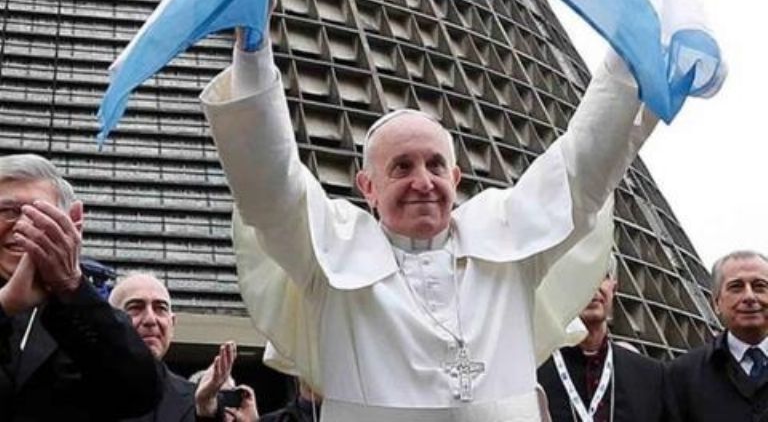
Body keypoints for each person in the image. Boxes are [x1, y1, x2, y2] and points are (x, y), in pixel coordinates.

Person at [200, 23, 659, 421]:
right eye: (401, 167)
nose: (423, 182)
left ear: (456, 178)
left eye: (436, 166)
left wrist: (629, 51)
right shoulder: (326, 257)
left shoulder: (512, 245)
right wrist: (254, 55)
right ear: (367, 187)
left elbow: (582, 165)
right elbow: (271, 186)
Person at [0, 153, 162, 421]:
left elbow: (141, 392)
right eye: (8, 211)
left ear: (69, 225)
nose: (22, 226)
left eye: (40, 215)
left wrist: (70, 286)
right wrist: (5, 306)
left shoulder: (85, 314)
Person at [109, 273, 258, 422]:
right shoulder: (87, 395)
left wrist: (206, 413)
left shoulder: (198, 404)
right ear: (109, 322)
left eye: (160, 308)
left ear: (172, 324)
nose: (150, 319)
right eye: (136, 308)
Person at [538, 256, 665, 421]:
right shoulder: (535, 372)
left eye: (602, 275)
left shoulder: (649, 376)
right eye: (581, 276)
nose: (593, 285)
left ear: (614, 288)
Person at [665, 250, 768, 421]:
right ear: (716, 303)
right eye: (736, 287)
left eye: (760, 286)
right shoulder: (682, 375)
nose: (749, 296)